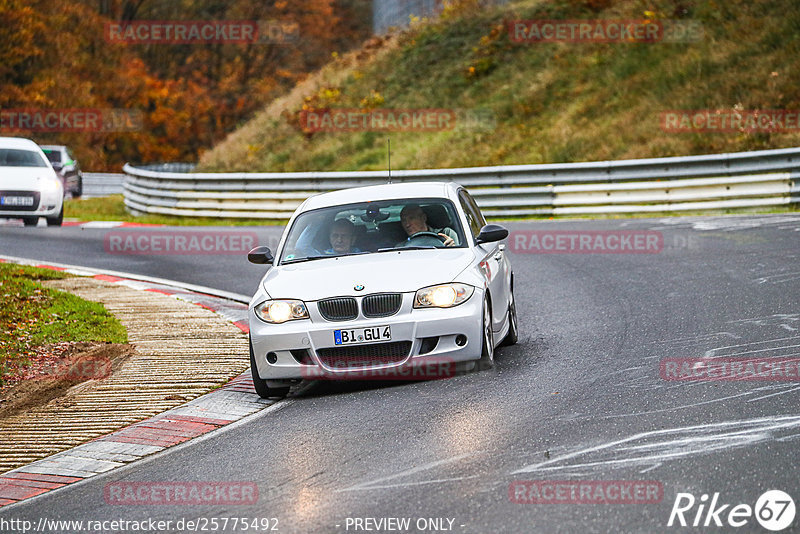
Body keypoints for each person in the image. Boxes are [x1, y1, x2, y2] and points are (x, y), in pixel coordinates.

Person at [294, 217, 360, 257]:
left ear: (353, 239)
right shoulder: (323, 256)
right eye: (335, 236)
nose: (339, 240)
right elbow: (301, 247)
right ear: (330, 238)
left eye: (344, 236)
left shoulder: (362, 256)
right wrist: (317, 222)